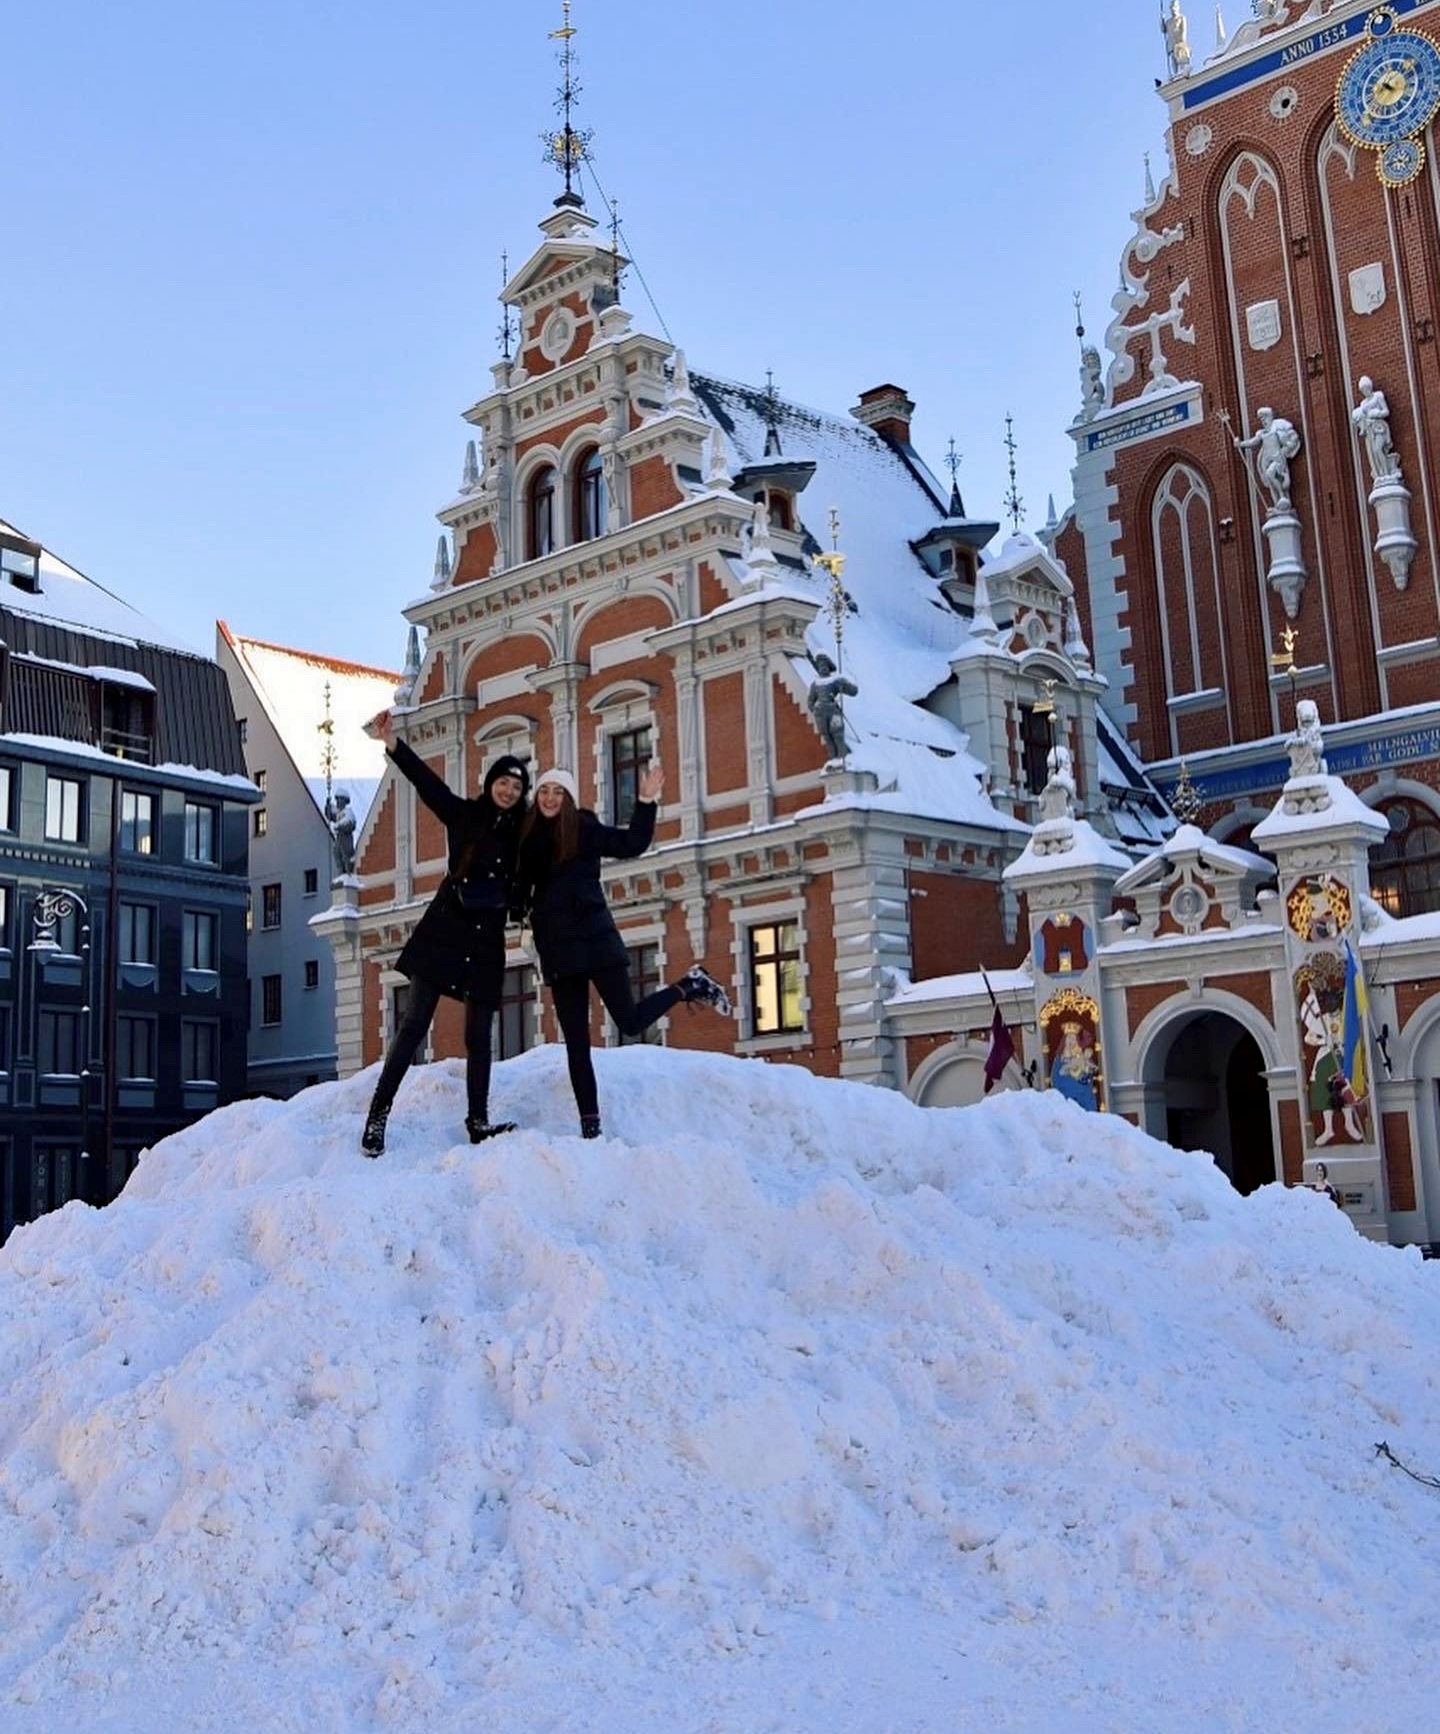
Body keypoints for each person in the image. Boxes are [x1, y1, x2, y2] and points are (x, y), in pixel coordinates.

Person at [515, 762, 731, 1138]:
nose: (550, 798)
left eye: (558, 792)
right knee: (576, 1045)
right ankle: (590, 1125)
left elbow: (632, 844)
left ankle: (689, 985)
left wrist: (645, 800)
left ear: (568, 799)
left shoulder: (584, 829)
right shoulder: (526, 839)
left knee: (629, 1020)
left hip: (596, 941)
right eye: (544, 791)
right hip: (559, 953)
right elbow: (516, 892)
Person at [360, 716, 529, 1156]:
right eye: (504, 782)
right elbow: (427, 784)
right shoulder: (465, 815)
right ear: (491, 782)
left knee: (479, 1035)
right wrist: (392, 742)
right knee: (413, 1025)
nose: (509, 791)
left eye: (517, 785)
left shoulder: (522, 837)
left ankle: (478, 1121)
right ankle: (377, 1117)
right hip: (446, 929)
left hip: (487, 940)